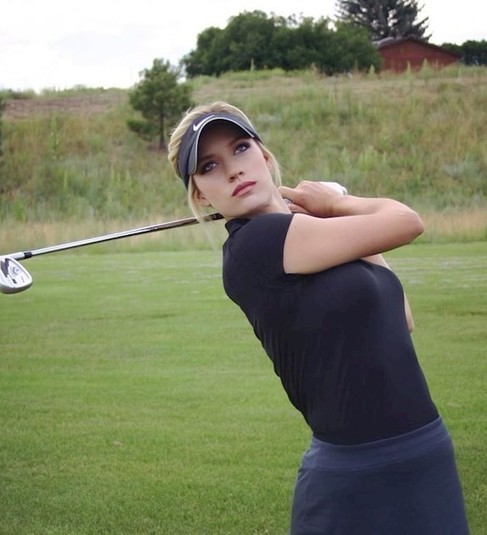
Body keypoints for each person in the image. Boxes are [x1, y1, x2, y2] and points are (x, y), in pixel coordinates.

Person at [167, 101, 469, 534]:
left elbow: (401, 318)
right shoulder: (255, 245)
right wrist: (338, 201)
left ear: (264, 156)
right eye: (210, 166)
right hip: (356, 474)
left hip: (425, 450)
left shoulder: (309, 231)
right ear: (200, 194)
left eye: (240, 148)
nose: (233, 170)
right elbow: (407, 221)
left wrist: (329, 214)